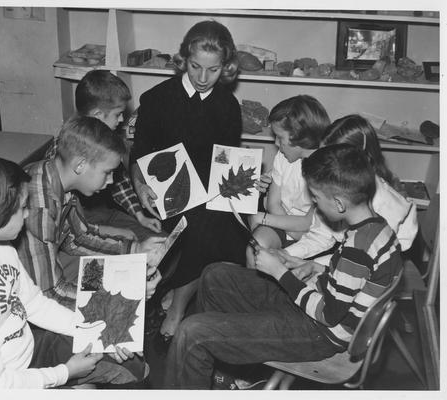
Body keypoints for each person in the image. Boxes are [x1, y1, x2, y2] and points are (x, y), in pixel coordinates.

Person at [163, 144, 403, 389]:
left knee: (191, 332)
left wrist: (280, 272)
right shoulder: (376, 228)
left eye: (317, 198)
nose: (315, 206)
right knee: (214, 275)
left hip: (318, 333)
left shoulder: (357, 248)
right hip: (315, 308)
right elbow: (353, 281)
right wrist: (306, 265)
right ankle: (219, 365)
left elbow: (329, 314)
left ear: (340, 204)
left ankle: (202, 362)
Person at [0, 155, 154, 388]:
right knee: (118, 374)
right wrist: (65, 373)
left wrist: (100, 332)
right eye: (23, 208)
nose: (28, 214)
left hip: (30, 348)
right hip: (12, 378)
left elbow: (35, 303)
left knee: (132, 363)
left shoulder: (2, 248)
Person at [130, 20, 249, 341]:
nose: (202, 77)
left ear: (225, 67)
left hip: (209, 193)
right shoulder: (157, 99)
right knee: (208, 227)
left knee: (220, 224)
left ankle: (176, 302)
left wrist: (232, 186)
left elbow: (226, 159)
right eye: (195, 66)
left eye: (213, 70)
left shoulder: (227, 105)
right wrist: (141, 186)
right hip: (166, 192)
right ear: (184, 59)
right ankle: (179, 305)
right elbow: (139, 154)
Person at [16, 115, 164, 310]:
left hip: (41, 278)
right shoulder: (41, 206)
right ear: (80, 165)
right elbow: (49, 293)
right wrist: (127, 296)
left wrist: (135, 249)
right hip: (23, 297)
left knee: (108, 271)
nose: (111, 180)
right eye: (107, 172)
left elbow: (78, 237)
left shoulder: (56, 177)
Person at [282, 114, 418, 265]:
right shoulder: (336, 187)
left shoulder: (386, 206)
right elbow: (321, 236)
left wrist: (307, 265)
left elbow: (360, 260)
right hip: (350, 254)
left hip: (378, 264)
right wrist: (285, 254)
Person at [45, 69, 162, 242]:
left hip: (102, 213)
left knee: (159, 240)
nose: (122, 119)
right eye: (117, 114)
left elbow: (119, 183)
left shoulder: (107, 142)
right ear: (98, 116)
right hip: (78, 225)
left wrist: (140, 216)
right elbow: (70, 229)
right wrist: (109, 231)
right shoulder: (63, 149)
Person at [245, 95, 330, 268]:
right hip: (284, 223)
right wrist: (278, 222)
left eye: (280, 138)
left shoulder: (325, 169)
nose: (276, 143)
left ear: (300, 138)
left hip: (312, 236)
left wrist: (265, 219)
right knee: (255, 248)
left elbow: (310, 226)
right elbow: (273, 203)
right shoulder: (282, 158)